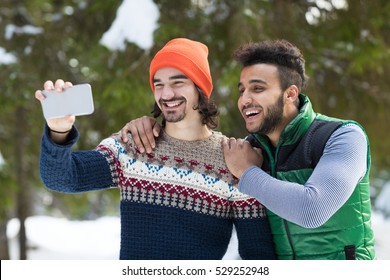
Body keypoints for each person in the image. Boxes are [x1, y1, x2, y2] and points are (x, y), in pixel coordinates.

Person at [120, 39, 376, 260]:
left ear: (290, 93)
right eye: (242, 90)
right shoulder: (248, 149)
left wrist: (247, 172)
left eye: (258, 88)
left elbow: (312, 210)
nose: (244, 100)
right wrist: (145, 127)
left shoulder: (342, 137)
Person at [35, 38, 275, 260]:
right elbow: (61, 179)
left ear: (200, 89)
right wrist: (58, 130)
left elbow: (258, 254)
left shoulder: (234, 161)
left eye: (177, 82)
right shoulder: (133, 146)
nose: (166, 94)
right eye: (158, 84)